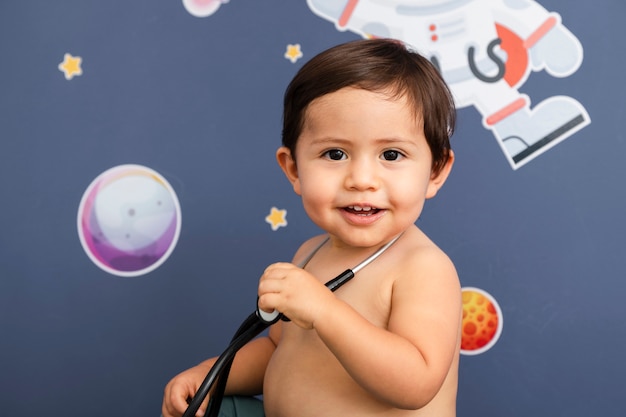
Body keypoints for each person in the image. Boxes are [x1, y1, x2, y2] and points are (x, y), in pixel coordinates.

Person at [162, 38, 462, 417]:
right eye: (334, 154)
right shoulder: (310, 254)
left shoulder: (422, 268)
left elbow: (415, 382)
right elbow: (278, 350)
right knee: (214, 409)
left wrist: (325, 310)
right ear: (293, 169)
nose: (362, 179)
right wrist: (208, 374)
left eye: (391, 155)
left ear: (435, 172)